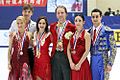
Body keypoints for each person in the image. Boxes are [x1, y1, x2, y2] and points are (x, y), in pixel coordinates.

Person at [88, 8, 117, 80]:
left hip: (103, 60)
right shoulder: (89, 32)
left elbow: (113, 49)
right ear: (91, 18)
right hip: (93, 60)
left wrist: (110, 63)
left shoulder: (107, 31)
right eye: (93, 17)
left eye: (97, 16)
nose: (95, 19)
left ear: (101, 17)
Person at [9, 3, 36, 74]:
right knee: (16, 73)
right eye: (25, 11)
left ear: (32, 13)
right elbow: (10, 35)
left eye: (29, 12)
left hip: (29, 52)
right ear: (22, 12)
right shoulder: (15, 23)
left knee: (28, 73)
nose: (26, 13)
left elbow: (35, 40)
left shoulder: (34, 25)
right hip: (17, 52)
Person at [50, 5, 75, 80]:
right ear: (56, 14)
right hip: (55, 55)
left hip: (66, 56)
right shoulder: (52, 26)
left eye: (62, 13)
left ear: (66, 14)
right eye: (58, 13)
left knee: (67, 76)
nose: (60, 15)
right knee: (56, 77)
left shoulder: (72, 27)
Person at [67, 14, 92, 80]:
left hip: (82, 64)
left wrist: (79, 64)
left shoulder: (87, 35)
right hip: (73, 64)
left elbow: (87, 51)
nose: (77, 22)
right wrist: (71, 62)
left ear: (83, 22)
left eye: (79, 21)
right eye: (76, 21)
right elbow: (68, 49)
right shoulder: (72, 34)